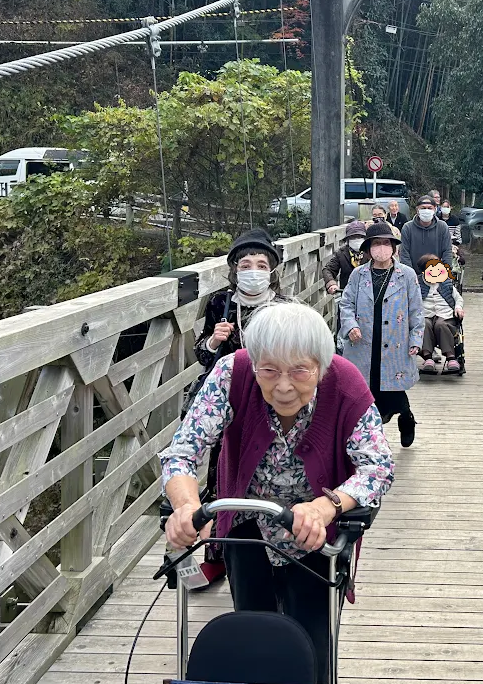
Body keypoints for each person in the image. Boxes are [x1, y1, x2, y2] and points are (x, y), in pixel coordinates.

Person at [162, 303, 395, 684]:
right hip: (247, 523)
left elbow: (378, 467)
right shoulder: (233, 373)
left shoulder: (346, 383)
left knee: (314, 647)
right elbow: (183, 451)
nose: (283, 386)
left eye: (300, 371)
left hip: (315, 534)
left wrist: (325, 507)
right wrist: (187, 506)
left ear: (321, 365)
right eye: (269, 370)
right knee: (253, 639)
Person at [191, 228, 291, 583]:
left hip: (273, 400)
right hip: (226, 401)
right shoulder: (220, 302)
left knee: (273, 473)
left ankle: (278, 551)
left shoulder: (286, 307)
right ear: (234, 268)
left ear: (272, 270)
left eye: (261, 265)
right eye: (245, 264)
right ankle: (217, 552)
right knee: (221, 473)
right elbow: (201, 355)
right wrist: (212, 341)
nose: (253, 271)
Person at [339, 222, 424, 447]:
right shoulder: (358, 274)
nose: (381, 248)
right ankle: (371, 436)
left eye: (386, 243)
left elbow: (416, 309)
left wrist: (416, 338)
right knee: (366, 390)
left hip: (395, 341)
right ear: (369, 248)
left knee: (394, 390)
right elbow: (346, 303)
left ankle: (406, 417)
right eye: (376, 243)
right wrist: (350, 325)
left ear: (393, 247)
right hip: (364, 340)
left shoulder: (406, 275)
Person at [416, 254, 464, 374]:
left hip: (445, 314)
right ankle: (428, 358)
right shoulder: (417, 284)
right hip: (425, 314)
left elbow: (458, 298)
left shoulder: (446, 283)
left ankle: (451, 357)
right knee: (424, 325)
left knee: (441, 325)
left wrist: (458, 308)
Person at [399, 195, 452, 271]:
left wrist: (445, 271)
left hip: (437, 273)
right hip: (413, 274)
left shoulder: (442, 227)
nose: (426, 211)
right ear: (417, 210)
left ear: (435, 209)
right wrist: (410, 274)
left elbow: (447, 251)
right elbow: (404, 254)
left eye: (429, 208)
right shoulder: (407, 228)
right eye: (423, 208)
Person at [322, 221, 367, 295]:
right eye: (353, 237)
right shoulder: (341, 253)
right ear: (347, 240)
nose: (356, 240)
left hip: (368, 294)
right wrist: (331, 284)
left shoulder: (370, 252)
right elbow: (328, 269)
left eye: (360, 237)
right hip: (347, 294)